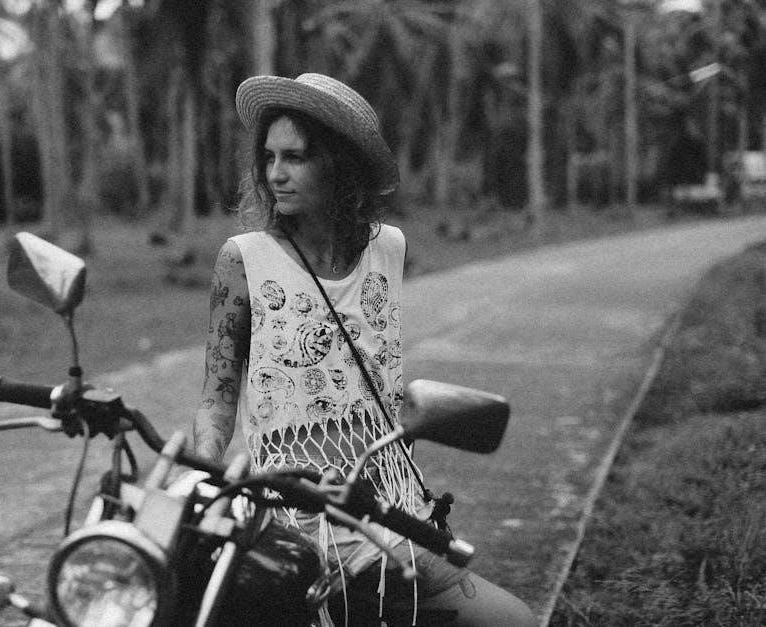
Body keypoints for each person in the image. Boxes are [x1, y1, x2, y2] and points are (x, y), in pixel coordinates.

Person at [193, 73, 535, 626]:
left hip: (388, 512)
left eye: (295, 157)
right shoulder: (244, 260)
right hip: (290, 521)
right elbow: (217, 398)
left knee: (513, 620)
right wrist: (208, 482)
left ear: (339, 165)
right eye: (269, 157)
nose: (275, 174)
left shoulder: (388, 249)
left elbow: (380, 381)